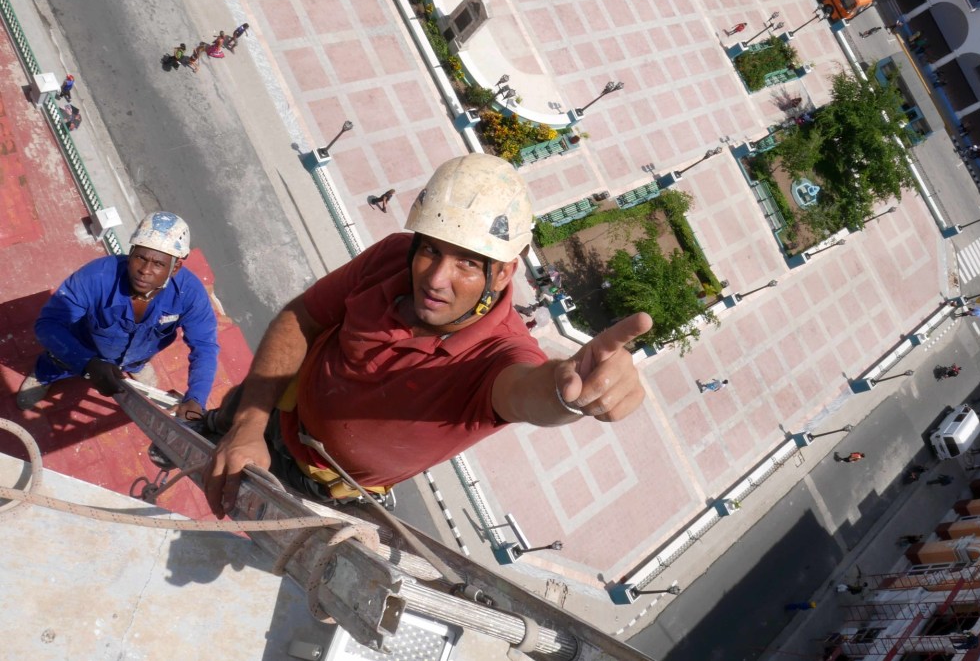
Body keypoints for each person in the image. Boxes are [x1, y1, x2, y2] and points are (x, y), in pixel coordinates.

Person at [202, 155, 652, 517]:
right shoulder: (394, 257)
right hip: (267, 406)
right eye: (432, 250)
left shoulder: (497, 353)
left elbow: (525, 391)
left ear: (504, 273)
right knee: (213, 429)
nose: (436, 278)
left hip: (318, 490)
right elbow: (303, 318)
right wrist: (247, 426)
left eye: (468, 263)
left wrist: (567, 395)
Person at [17, 212, 219, 419]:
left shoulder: (190, 294)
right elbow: (48, 325)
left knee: (137, 360)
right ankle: (45, 374)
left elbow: (205, 346)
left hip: (139, 353)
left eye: (158, 264)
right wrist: (87, 362)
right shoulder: (95, 277)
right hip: (83, 346)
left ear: (175, 267)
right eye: (140, 257)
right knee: (58, 359)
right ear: (131, 253)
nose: (145, 271)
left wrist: (196, 398)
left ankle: (136, 366)